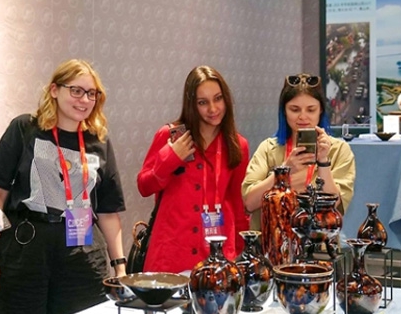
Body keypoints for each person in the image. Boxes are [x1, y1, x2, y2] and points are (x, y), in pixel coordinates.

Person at [0, 59, 127, 314]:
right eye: (76, 91)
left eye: (91, 93)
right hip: (26, 250)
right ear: (55, 90)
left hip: (82, 252)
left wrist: (120, 266)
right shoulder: (25, 128)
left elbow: (108, 212)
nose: (84, 100)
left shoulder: (98, 140)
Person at [137, 66, 249, 273]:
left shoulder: (237, 144)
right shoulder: (172, 136)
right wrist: (171, 157)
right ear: (192, 105)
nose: (213, 108)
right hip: (171, 255)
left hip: (218, 256)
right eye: (202, 102)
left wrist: (241, 255)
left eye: (218, 99)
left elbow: (237, 204)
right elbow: (144, 186)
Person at [242, 74, 356, 231]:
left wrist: (323, 162)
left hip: (318, 240)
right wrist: (284, 172)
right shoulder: (268, 148)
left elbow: (335, 205)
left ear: (321, 110)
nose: (303, 117)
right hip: (272, 240)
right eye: (294, 109)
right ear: (284, 111)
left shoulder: (338, 150)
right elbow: (249, 203)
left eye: (311, 110)